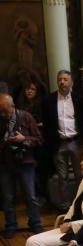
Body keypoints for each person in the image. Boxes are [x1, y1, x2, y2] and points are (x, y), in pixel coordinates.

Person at [42, 70, 83, 210]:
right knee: (62, 178)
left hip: (75, 142)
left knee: (81, 175)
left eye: (65, 79)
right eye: (60, 79)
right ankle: (64, 207)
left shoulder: (78, 99)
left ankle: (81, 204)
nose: (62, 82)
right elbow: (46, 123)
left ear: (71, 82)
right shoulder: (49, 100)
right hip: (58, 143)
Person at [0, 93, 43, 237]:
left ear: (13, 106)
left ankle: (35, 223)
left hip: (26, 162)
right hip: (5, 163)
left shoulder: (26, 117)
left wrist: (23, 139)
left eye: (5, 111)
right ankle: (11, 225)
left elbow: (39, 139)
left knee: (31, 196)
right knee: (8, 197)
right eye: (1, 111)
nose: (3, 114)